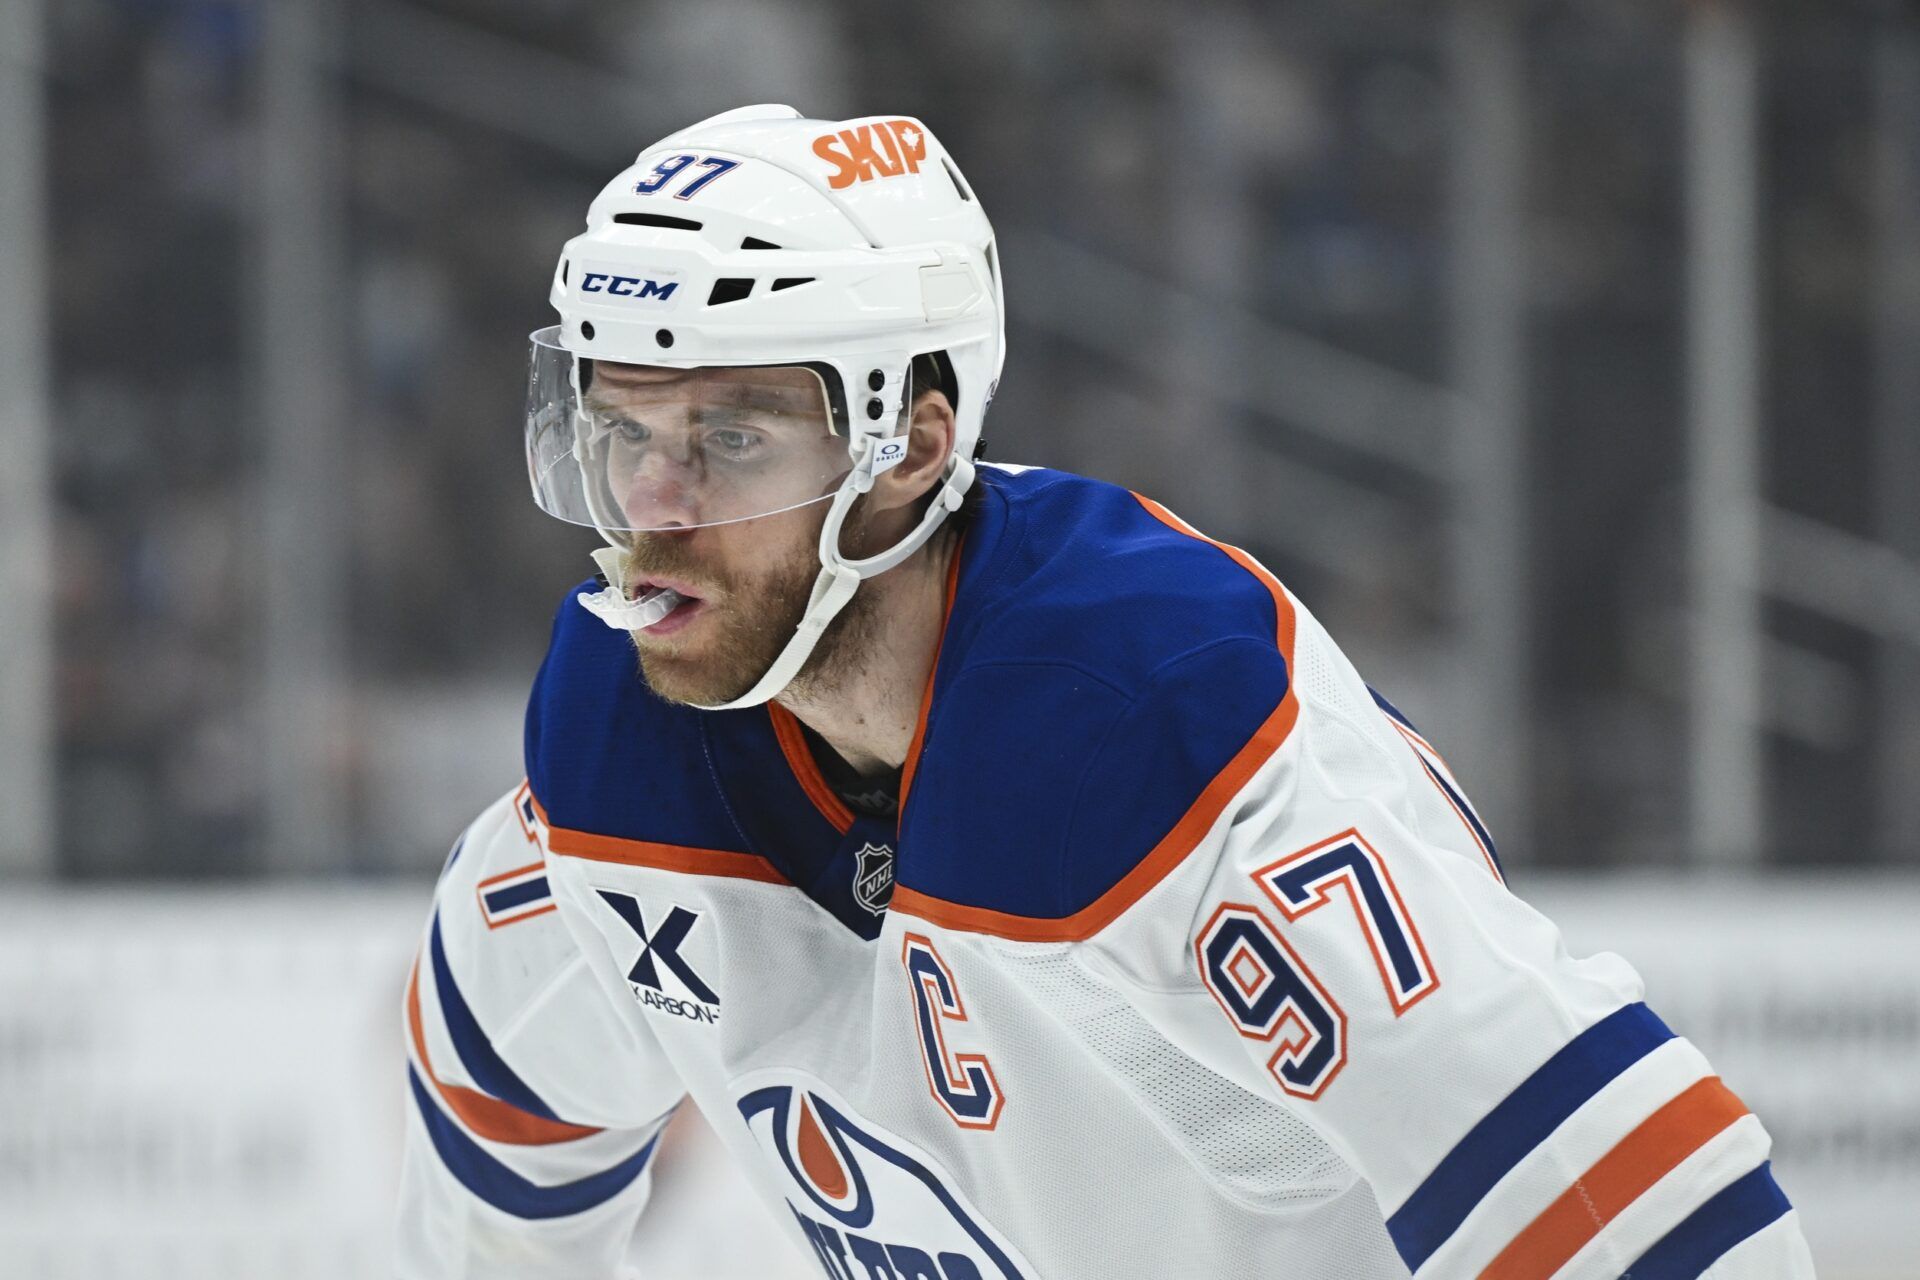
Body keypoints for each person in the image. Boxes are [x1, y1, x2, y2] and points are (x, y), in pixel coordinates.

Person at [397, 105, 1816, 1279]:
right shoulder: (613, 742)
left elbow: (1656, 1218)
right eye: (623, 428)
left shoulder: (1143, 710)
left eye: (730, 434)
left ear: (908, 447)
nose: (653, 500)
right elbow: (492, 1126)